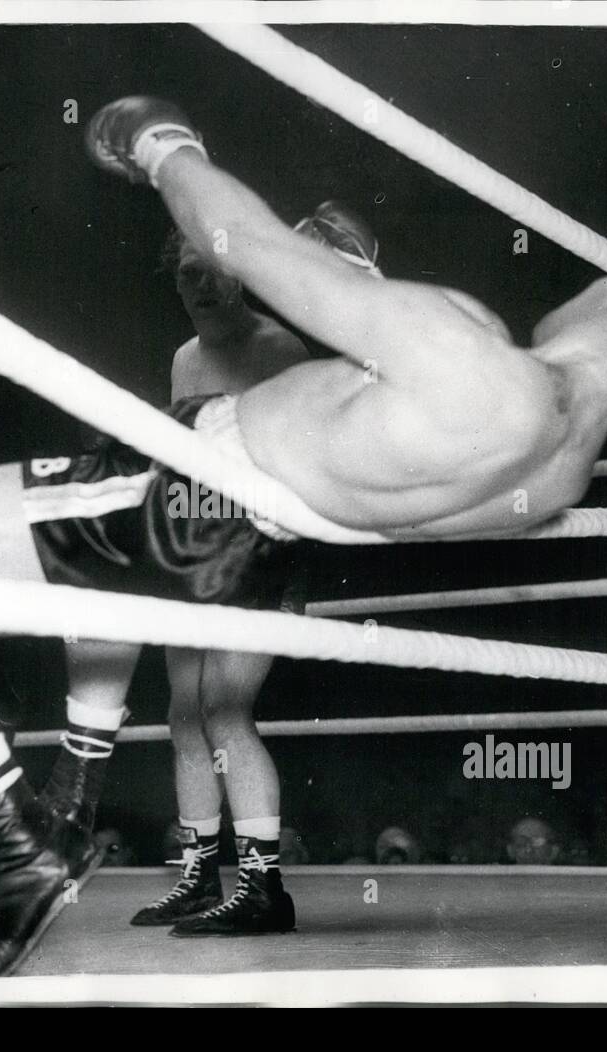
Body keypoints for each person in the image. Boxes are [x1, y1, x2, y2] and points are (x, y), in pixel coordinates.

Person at [0, 96, 607, 976]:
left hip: (182, 493)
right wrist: (363, 294)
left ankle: (13, 833)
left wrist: (158, 144)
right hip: (249, 538)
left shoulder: (478, 361)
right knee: (94, 633)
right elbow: (376, 455)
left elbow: (244, 243)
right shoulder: (566, 465)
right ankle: (54, 799)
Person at [132, 217, 375, 936]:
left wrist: (293, 577)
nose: (203, 286)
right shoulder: (183, 358)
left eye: (215, 270)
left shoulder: (276, 349)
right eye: (188, 273)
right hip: (194, 549)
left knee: (228, 712)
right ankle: (201, 872)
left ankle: (264, 885)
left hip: (261, 547)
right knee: (184, 714)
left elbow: (303, 461)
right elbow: (181, 461)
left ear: (242, 273)